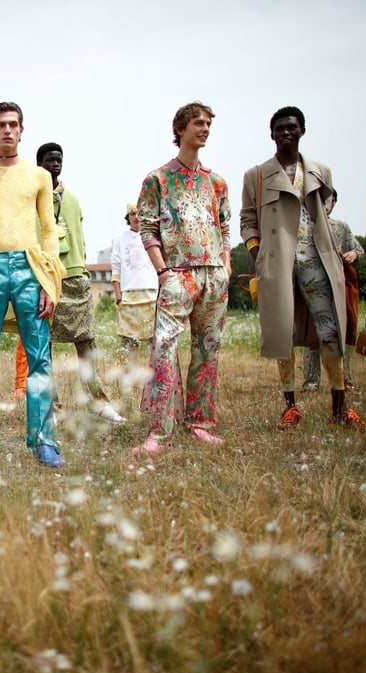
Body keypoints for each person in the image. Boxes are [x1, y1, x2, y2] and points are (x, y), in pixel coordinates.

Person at [240, 106, 366, 431]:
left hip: (316, 262)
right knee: (283, 333)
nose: (286, 132)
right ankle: (290, 406)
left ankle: (339, 407)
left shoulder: (321, 172)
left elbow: (322, 216)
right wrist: (259, 254)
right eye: (280, 127)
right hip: (277, 264)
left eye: (292, 127)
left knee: (331, 330)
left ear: (302, 131)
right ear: (272, 134)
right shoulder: (256, 175)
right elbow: (248, 221)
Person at [0, 101, 66, 467]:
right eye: (0, 124)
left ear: (22, 130)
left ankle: (43, 441)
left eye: (13, 124)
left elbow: (50, 230)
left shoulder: (39, 176)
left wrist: (50, 283)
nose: (7, 130)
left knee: (39, 357)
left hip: (30, 267)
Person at [133, 102, 231, 454]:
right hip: (177, 274)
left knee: (208, 352)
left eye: (207, 123)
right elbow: (147, 228)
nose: (204, 128)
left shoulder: (216, 182)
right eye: (197, 123)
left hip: (214, 276)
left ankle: (201, 423)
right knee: (164, 348)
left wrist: (226, 265)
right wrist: (162, 271)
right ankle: (159, 430)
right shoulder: (157, 179)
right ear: (180, 129)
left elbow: (224, 226)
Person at [12, 143, 125, 424]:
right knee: (42, 347)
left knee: (86, 342)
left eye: (59, 159)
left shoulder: (72, 199)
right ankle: (52, 408)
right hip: (45, 278)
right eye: (49, 160)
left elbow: (81, 239)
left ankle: (98, 403)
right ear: (39, 165)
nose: (55, 164)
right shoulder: (29, 200)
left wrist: (83, 271)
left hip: (76, 276)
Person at [301, 189, 364, 392]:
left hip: (338, 285)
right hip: (312, 284)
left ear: (334, 202)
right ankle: (311, 382)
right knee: (312, 336)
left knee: (340, 334)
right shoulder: (305, 226)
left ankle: (344, 379)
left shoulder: (341, 227)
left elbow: (359, 250)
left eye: (328, 200)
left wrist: (353, 254)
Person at [111, 202, 158, 354]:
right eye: (132, 214)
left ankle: (156, 375)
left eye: (139, 213)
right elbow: (116, 267)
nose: (136, 217)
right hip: (129, 295)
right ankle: (129, 375)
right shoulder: (119, 239)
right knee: (129, 343)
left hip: (152, 294)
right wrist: (118, 294)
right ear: (128, 217)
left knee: (157, 340)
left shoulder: (154, 236)